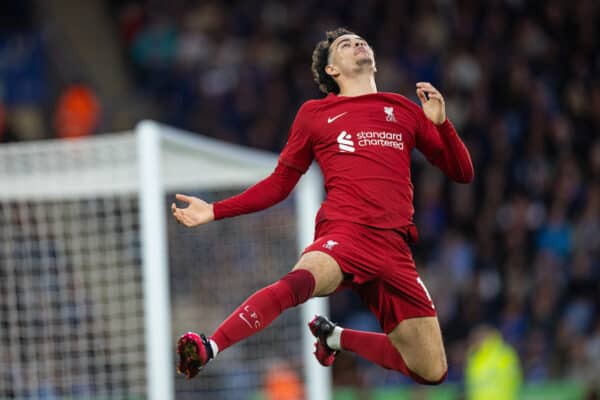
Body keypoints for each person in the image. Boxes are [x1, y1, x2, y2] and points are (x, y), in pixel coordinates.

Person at [172, 27, 474, 384]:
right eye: (346, 45)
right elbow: (279, 184)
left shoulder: (403, 110)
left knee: (432, 370)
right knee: (299, 282)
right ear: (333, 71)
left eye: (362, 40)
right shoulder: (316, 114)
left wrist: (443, 124)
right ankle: (211, 345)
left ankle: (335, 337)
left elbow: (462, 172)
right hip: (346, 233)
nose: (359, 43)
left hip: (395, 249)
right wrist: (215, 209)